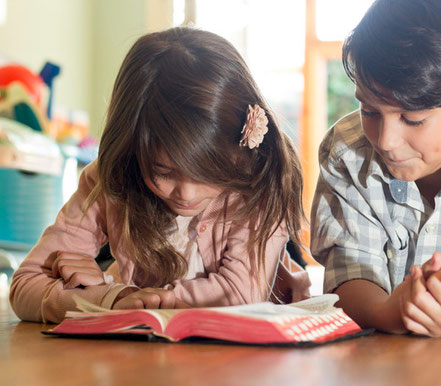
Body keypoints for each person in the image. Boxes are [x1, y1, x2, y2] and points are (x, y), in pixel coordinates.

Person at [10, 27, 309, 323]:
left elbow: (238, 296)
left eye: (210, 171)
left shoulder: (260, 180)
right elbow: (25, 284)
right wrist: (110, 299)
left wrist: (134, 298)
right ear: (131, 150)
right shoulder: (112, 177)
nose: (187, 193)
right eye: (162, 172)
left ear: (238, 149)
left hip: (247, 361)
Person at [310, 0, 441, 337]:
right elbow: (348, 273)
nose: (386, 141)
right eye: (369, 110)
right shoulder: (347, 154)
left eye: (412, 118)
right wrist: (390, 311)